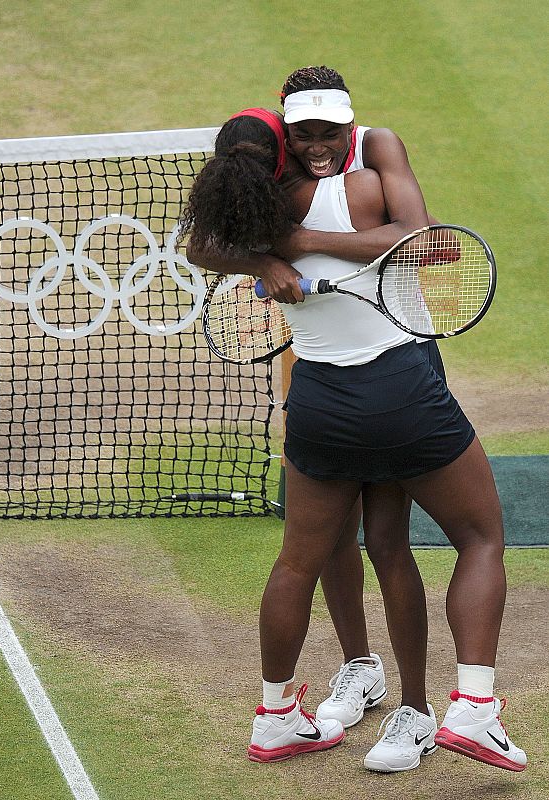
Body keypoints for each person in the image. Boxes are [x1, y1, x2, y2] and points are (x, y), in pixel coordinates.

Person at [182, 90, 526, 773]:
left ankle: (277, 717)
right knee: (480, 538)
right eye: (302, 132)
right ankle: (470, 710)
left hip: (317, 403)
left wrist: (272, 258)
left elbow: (202, 247)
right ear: (286, 139)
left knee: (299, 561)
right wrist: (286, 256)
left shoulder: (249, 215)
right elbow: (426, 241)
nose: (317, 143)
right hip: (399, 397)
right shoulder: (367, 187)